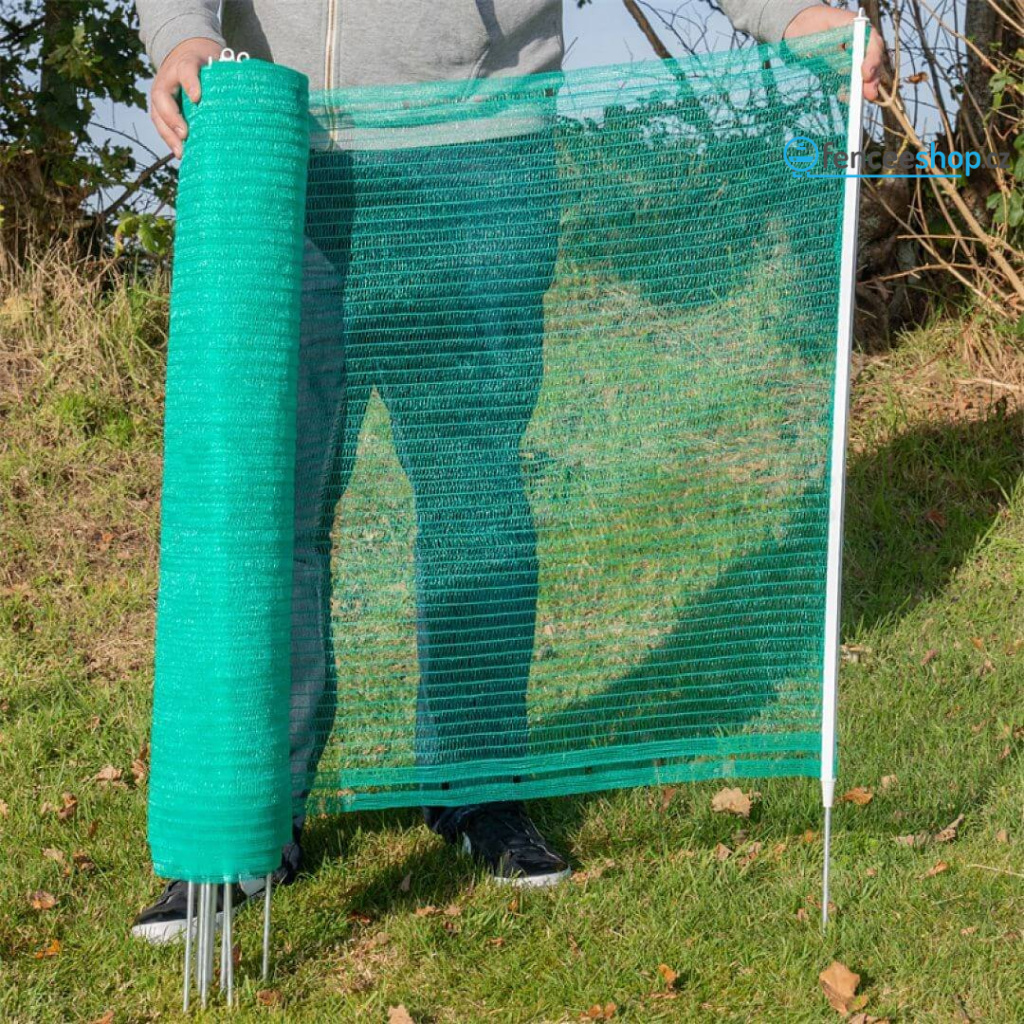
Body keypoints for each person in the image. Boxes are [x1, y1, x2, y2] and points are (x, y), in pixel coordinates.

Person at [132, 0, 885, 943]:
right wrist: (181, 33)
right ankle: (245, 826)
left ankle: (479, 793)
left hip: (477, 161)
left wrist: (796, 15)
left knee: (473, 494)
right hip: (268, 151)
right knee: (261, 508)